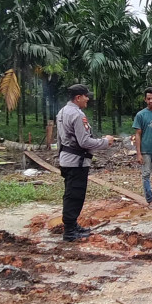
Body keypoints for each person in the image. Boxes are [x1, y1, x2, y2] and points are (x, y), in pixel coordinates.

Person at [57, 84, 114, 241]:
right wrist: (105, 142)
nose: (87, 99)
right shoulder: (77, 115)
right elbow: (84, 142)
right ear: (78, 98)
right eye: (85, 96)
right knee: (75, 195)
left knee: (70, 194)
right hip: (76, 162)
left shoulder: (62, 112)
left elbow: (60, 139)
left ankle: (73, 225)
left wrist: (59, 157)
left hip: (67, 160)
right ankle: (70, 231)